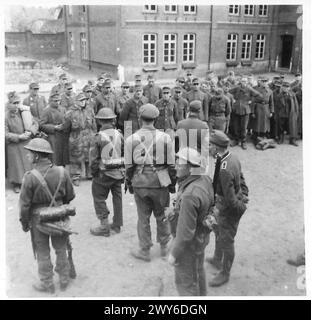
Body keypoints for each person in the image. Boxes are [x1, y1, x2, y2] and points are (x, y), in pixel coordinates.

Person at [19, 138, 75, 293]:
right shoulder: (62, 172)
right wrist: (58, 209)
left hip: (38, 221)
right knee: (61, 248)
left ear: (37, 156)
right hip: (59, 217)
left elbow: (24, 206)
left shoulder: (29, 177)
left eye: (29, 153)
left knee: (42, 252)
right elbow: (70, 196)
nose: (27, 156)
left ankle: (47, 283)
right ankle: (64, 279)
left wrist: (25, 223)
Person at [125, 103, 176, 262]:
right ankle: (164, 247)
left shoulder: (131, 139)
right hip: (160, 183)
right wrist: (172, 184)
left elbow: (128, 166)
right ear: (156, 119)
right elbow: (172, 165)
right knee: (162, 216)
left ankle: (145, 250)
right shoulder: (166, 137)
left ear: (140, 118)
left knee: (143, 217)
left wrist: (129, 183)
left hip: (140, 182)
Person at [168, 147, 214, 296]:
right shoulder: (204, 178)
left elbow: (185, 232)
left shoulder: (190, 195)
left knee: (185, 284)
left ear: (189, 167)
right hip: (201, 238)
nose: (175, 166)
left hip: (188, 246)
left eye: (179, 163)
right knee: (199, 271)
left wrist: (174, 253)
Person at [206, 130, 249, 287]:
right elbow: (242, 177)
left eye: (210, 145)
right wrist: (244, 192)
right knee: (217, 231)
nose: (208, 148)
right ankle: (217, 259)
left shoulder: (224, 168)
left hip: (227, 209)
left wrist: (240, 207)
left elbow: (230, 199)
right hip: (223, 205)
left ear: (216, 147)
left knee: (227, 240)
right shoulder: (231, 157)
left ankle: (225, 273)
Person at [89, 108, 124, 236]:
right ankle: (117, 224)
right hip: (118, 172)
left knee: (99, 197)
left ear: (99, 121)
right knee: (117, 198)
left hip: (103, 173)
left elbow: (93, 159)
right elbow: (124, 152)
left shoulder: (98, 137)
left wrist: (94, 173)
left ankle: (104, 225)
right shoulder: (119, 134)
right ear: (113, 120)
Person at [5, 94, 39, 193]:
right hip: (14, 145)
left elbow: (35, 123)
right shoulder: (5, 116)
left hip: (26, 142)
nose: (16, 105)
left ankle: (29, 183)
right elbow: (4, 133)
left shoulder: (24, 112)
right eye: (14, 103)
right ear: (9, 104)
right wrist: (18, 137)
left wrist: (31, 131)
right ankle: (16, 183)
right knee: (16, 165)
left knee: (28, 163)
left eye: (17, 103)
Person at [64, 92, 97, 186]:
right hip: (76, 138)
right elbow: (66, 127)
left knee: (89, 156)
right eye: (81, 100)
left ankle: (89, 173)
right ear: (76, 101)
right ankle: (75, 176)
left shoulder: (90, 110)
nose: (83, 102)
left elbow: (93, 124)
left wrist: (95, 135)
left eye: (84, 100)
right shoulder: (70, 112)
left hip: (88, 136)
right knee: (75, 158)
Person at [229, 77, 262, 149]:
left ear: (247, 82)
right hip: (236, 109)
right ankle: (236, 140)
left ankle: (243, 141)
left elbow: (259, 96)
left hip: (245, 110)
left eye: (245, 81)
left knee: (244, 127)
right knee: (236, 126)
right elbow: (228, 92)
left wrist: (251, 101)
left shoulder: (249, 89)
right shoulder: (237, 88)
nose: (243, 83)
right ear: (240, 82)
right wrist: (233, 99)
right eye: (242, 81)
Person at [40, 93, 69, 166]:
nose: (57, 102)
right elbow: (41, 125)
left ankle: (62, 171)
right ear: (50, 101)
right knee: (54, 157)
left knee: (63, 156)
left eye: (59, 100)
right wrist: (54, 127)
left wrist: (65, 125)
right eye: (55, 101)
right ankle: (54, 171)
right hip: (53, 137)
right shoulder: (46, 111)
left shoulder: (63, 109)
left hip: (63, 135)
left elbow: (67, 120)